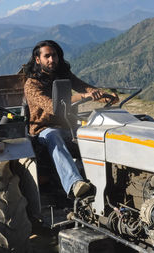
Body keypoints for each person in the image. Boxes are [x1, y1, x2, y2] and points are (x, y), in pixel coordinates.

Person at [24, 40, 118, 198]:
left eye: (54, 55)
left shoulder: (63, 76)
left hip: (67, 126)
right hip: (42, 131)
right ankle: (75, 184)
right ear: (38, 59)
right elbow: (53, 106)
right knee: (53, 136)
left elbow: (85, 87)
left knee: (95, 132)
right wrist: (82, 96)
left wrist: (105, 97)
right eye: (47, 56)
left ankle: (110, 180)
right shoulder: (32, 84)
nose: (51, 60)